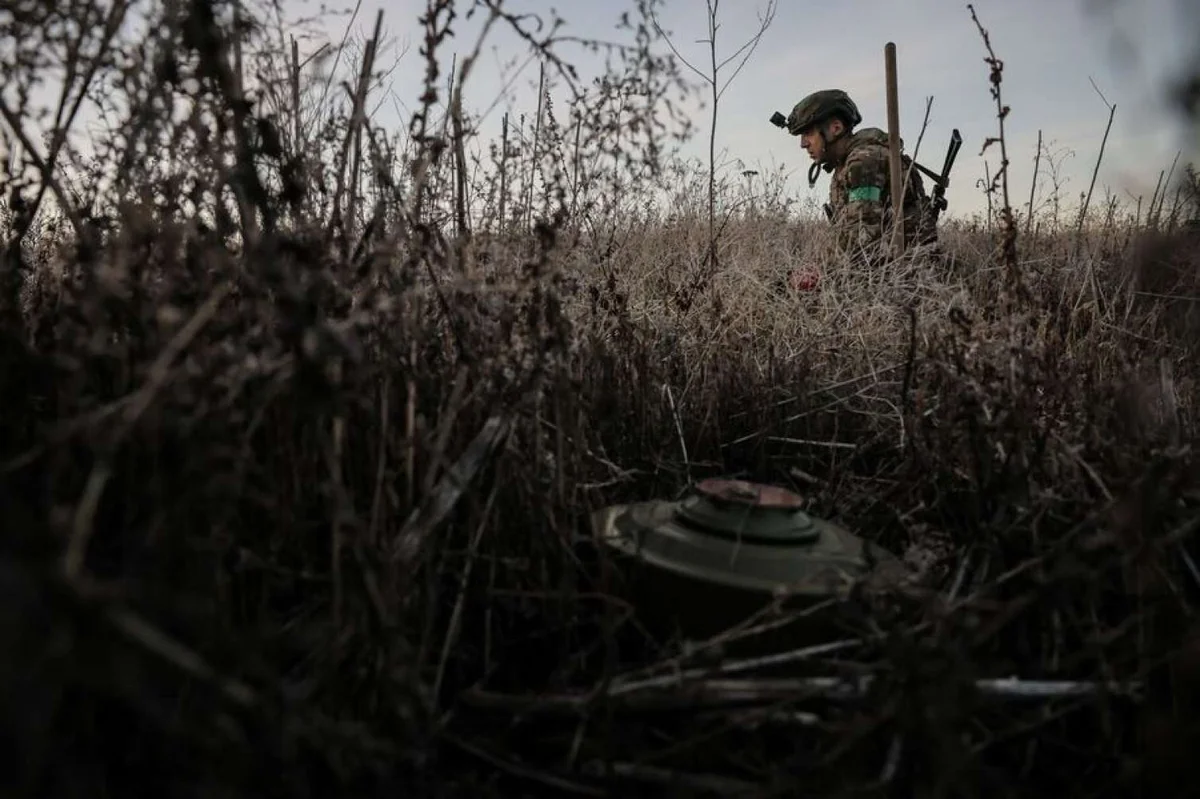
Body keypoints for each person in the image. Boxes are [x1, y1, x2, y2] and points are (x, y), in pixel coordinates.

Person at [784, 89, 940, 268]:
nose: (803, 144)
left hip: (909, 275)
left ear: (835, 128)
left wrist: (817, 270)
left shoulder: (864, 161)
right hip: (883, 269)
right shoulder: (843, 166)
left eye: (808, 133)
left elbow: (861, 236)